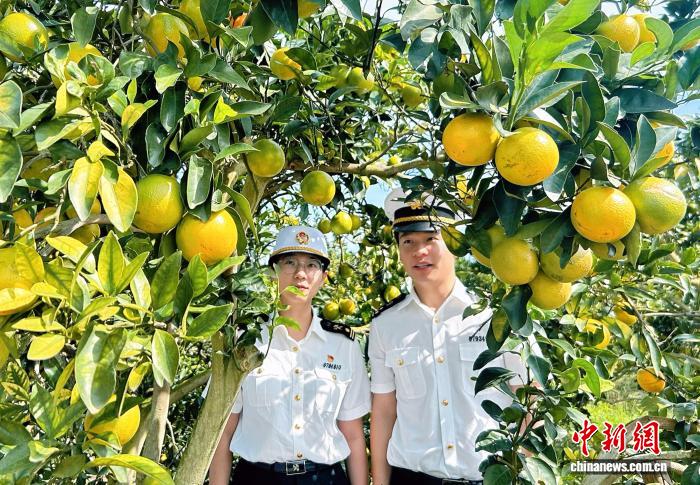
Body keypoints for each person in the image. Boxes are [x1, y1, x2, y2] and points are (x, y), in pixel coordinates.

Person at [368, 189, 530, 485]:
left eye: (431, 239)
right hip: (413, 479)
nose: (420, 251)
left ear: (456, 244)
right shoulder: (385, 326)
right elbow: (384, 411)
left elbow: (530, 401)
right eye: (408, 242)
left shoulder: (498, 315)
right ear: (399, 251)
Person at [209, 225, 370, 485]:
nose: (300, 274)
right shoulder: (244, 341)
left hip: (325, 478)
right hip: (257, 479)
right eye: (290, 263)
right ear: (273, 273)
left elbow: (352, 433)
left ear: (323, 277)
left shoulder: (343, 346)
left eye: (311, 265)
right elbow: (222, 432)